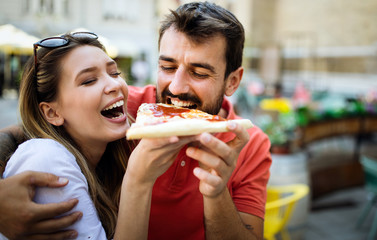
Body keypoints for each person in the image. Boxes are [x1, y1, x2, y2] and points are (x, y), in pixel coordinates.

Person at [0, 2, 271, 240]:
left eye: (198, 72)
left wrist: (216, 192)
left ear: (232, 81)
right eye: (167, 67)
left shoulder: (250, 143)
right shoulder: (127, 111)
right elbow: (26, 136)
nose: (176, 87)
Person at [0, 32, 198, 239]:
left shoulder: (113, 145)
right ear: (52, 113)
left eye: (114, 73)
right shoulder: (47, 159)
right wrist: (138, 180)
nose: (115, 85)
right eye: (88, 81)